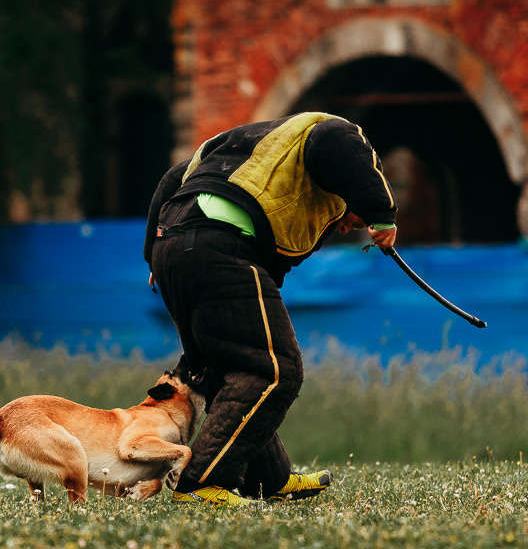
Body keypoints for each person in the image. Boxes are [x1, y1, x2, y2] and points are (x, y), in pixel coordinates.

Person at [143, 111, 398, 506]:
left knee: (229, 371)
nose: (353, 226)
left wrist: (152, 254)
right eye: (357, 217)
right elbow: (338, 136)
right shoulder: (324, 136)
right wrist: (380, 211)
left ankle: (269, 481)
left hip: (174, 248)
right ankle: (202, 482)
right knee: (274, 369)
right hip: (217, 245)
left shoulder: (246, 150)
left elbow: (175, 177)